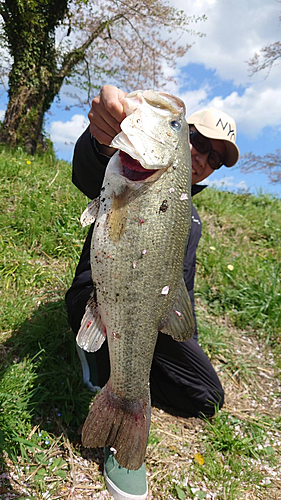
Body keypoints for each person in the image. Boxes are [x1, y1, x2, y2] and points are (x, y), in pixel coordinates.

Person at [65, 85, 239, 500]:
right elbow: (87, 172)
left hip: (149, 314)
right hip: (98, 295)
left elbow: (181, 292)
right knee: (122, 361)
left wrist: (176, 345)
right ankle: (105, 371)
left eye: (215, 159)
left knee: (206, 396)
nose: (202, 158)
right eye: (196, 141)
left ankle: (127, 386)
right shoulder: (125, 167)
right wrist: (100, 140)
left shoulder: (191, 221)